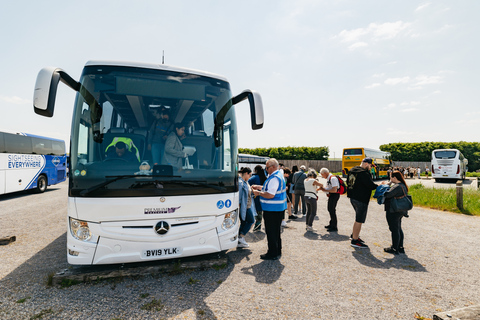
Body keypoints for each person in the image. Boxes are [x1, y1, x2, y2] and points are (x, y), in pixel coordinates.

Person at [252, 159, 287, 260]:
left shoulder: (274, 178)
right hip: (277, 208)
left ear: (273, 167)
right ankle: (277, 250)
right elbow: (270, 188)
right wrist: (259, 187)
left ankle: (272, 253)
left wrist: (258, 193)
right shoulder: (278, 176)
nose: (266, 170)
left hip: (272, 209)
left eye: (267, 168)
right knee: (276, 231)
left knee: (271, 231)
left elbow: (270, 194)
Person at [347, 157, 381, 248]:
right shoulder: (364, 173)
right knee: (359, 220)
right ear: (366, 164)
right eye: (370, 166)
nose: (371, 168)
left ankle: (354, 235)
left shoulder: (353, 170)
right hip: (361, 199)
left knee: (358, 218)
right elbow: (371, 185)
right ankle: (354, 240)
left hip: (352, 197)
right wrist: (380, 185)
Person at [383, 170, 409, 254]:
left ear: (394, 178)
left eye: (390, 177)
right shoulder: (402, 185)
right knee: (398, 228)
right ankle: (400, 247)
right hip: (400, 210)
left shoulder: (397, 186)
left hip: (394, 210)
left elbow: (387, 195)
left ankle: (394, 248)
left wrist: (384, 186)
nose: (390, 179)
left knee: (394, 229)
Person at [238, 167, 256, 248]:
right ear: (246, 173)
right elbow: (239, 197)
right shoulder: (240, 183)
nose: (250, 176)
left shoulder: (244, 182)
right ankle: (241, 237)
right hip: (244, 207)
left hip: (246, 206)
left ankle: (239, 239)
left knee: (244, 223)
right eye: (250, 175)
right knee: (251, 221)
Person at [318, 168, 340, 232]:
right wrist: (323, 189)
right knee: (330, 209)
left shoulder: (333, 178)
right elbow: (329, 187)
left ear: (325, 173)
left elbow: (334, 190)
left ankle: (334, 226)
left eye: (322, 175)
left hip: (334, 195)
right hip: (332, 195)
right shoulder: (329, 178)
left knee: (332, 209)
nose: (322, 176)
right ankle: (331, 224)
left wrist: (325, 190)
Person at [249, 165, 267, 231]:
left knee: (254, 210)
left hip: (255, 196)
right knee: (260, 211)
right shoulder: (265, 177)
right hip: (263, 196)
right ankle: (258, 224)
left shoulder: (254, 177)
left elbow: (247, 183)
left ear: (255, 170)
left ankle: (255, 224)